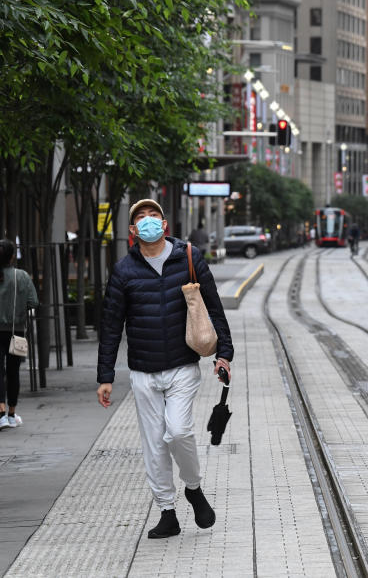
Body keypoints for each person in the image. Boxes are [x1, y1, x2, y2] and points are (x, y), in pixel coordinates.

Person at [97, 199, 233, 540]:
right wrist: (105, 376)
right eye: (140, 218)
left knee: (178, 432)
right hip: (143, 370)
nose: (147, 221)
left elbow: (214, 306)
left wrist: (224, 354)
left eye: (153, 215)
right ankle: (167, 512)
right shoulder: (124, 271)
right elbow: (111, 325)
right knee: (154, 444)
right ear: (131, 232)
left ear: (165, 224)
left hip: (182, 366)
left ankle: (193, 488)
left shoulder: (188, 257)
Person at [0, 240, 39, 431]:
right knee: (13, 373)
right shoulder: (21, 276)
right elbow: (33, 302)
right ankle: (12, 414)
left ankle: (1, 413)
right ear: (12, 256)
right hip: (16, 331)